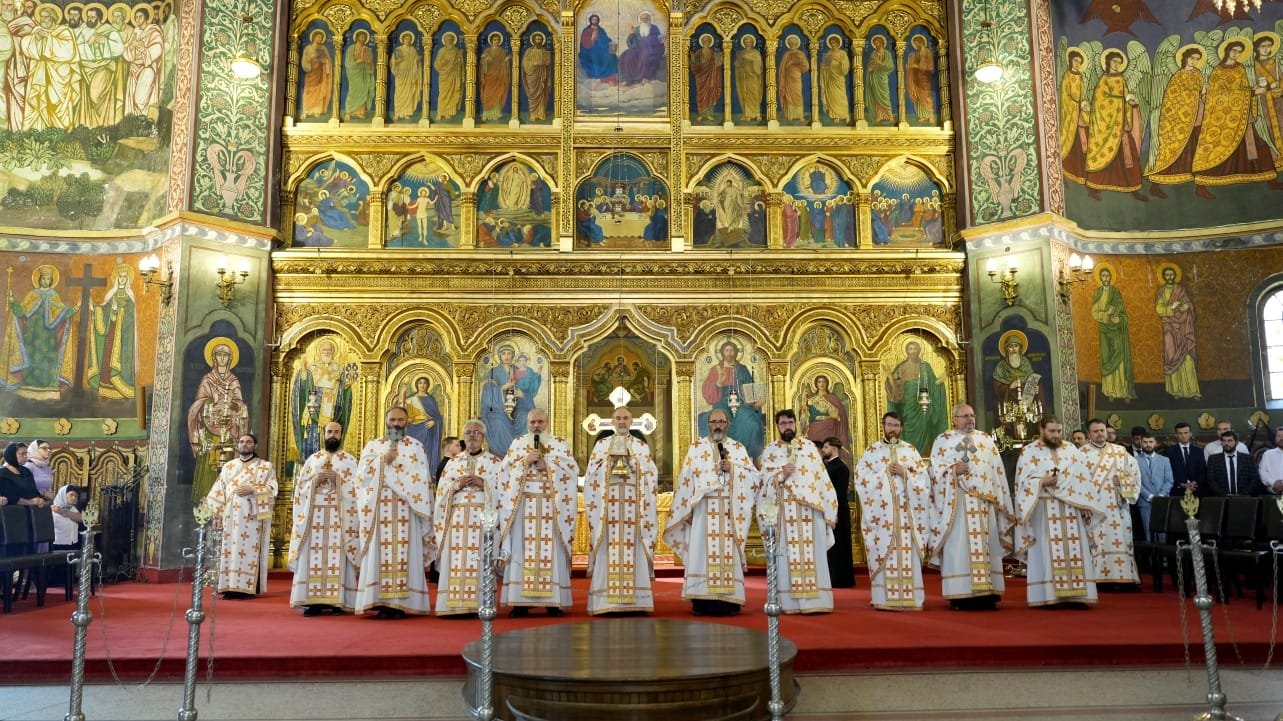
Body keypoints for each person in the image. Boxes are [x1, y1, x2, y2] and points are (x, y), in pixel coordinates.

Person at [664, 409, 761, 616]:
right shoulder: (696, 448)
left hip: (728, 512)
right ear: (708, 424)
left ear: (727, 425)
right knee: (701, 553)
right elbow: (686, 479)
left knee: (727, 553)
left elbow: (754, 479)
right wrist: (686, 508)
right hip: (703, 511)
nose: (717, 425)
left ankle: (729, 601)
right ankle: (701, 600)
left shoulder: (737, 448)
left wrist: (733, 469)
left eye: (722, 421)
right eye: (714, 421)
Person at [1013, 416, 1108, 608]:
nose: (1056, 435)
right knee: (1047, 551)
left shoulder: (1071, 449)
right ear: (1042, 430)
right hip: (1044, 508)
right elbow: (1022, 482)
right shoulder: (1029, 451)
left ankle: (1077, 596)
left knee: (1075, 550)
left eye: (1058, 431)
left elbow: (1082, 479)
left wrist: (1085, 504)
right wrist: (1040, 482)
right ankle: (1049, 596)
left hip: (1071, 509)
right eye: (1052, 431)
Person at [350, 406, 435, 619]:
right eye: (392, 419)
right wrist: (382, 461)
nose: (396, 423)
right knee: (379, 553)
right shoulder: (373, 446)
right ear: (386, 421)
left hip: (407, 509)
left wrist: (401, 483)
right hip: (379, 509)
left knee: (405, 555)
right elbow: (360, 478)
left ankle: (401, 602)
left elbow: (423, 479)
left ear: (406, 422)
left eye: (400, 420)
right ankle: (378, 600)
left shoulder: (416, 447)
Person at [927, 404, 1014, 610]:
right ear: (954, 418)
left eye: (972, 415)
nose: (970, 420)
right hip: (957, 503)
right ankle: (960, 595)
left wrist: (999, 500)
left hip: (984, 504)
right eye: (965, 416)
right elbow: (933, 471)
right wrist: (953, 470)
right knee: (959, 547)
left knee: (987, 546)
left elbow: (997, 472)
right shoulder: (944, 440)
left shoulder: (985, 440)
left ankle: (989, 593)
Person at [498, 408, 579, 617]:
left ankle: (553, 602)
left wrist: (549, 466)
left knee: (551, 554)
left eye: (540, 422)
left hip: (551, 508)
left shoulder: (559, 444)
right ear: (527, 423)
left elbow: (572, 472)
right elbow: (504, 474)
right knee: (521, 553)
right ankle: (520, 603)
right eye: (533, 422)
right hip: (523, 507)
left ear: (547, 422)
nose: (536, 426)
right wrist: (524, 463)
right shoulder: (518, 444)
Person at [758, 409, 838, 614]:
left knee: (813, 554)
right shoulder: (771, 451)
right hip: (784, 512)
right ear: (777, 426)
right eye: (783, 423)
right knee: (786, 555)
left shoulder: (809, 447)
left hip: (809, 512)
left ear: (796, 424)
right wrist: (780, 474)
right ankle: (790, 603)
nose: (787, 426)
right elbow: (762, 484)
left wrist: (829, 509)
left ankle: (815, 602)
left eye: (790, 422)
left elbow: (822, 479)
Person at [582, 406, 658, 615]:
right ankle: (605, 602)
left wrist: (633, 463)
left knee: (633, 551)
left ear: (631, 422)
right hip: (609, 511)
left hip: (634, 511)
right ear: (612, 421)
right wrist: (609, 462)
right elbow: (590, 476)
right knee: (609, 550)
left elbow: (652, 475)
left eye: (625, 418)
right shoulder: (601, 445)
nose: (622, 422)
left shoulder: (641, 446)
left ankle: (637, 601)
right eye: (618, 418)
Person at [853, 413, 931, 610]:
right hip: (882, 516)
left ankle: (912, 598)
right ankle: (883, 598)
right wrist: (884, 473)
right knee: (883, 552)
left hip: (907, 516)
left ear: (901, 427)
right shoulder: (873, 451)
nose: (893, 429)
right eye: (889, 425)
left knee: (908, 554)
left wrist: (906, 474)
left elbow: (924, 481)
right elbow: (861, 479)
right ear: (883, 426)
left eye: (896, 425)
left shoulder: (910, 451)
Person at [288, 422, 359, 616]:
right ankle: (313, 602)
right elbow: (299, 491)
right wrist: (314, 483)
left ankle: (338, 601)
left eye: (337, 431)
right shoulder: (313, 460)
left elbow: (358, 491)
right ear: (323, 434)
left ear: (342, 434)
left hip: (339, 517)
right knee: (313, 558)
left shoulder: (349, 461)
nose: (333, 435)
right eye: (329, 432)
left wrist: (340, 482)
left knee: (338, 557)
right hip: (315, 516)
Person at [435, 419, 504, 617]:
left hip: (483, 520)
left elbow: (504, 491)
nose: (472, 436)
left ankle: (479, 604)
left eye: (476, 432)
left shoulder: (494, 462)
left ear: (483, 437)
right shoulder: (453, 463)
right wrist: (457, 484)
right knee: (456, 559)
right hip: (457, 519)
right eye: (468, 432)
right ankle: (452, 604)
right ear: (463, 437)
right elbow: (441, 492)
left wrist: (485, 483)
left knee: (481, 558)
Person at [203, 434, 278, 600]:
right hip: (230, 516)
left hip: (252, 517)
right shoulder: (229, 467)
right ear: (238, 445)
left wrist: (253, 489)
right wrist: (217, 514)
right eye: (242, 442)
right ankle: (229, 587)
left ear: (255, 445)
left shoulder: (265, 467)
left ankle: (246, 588)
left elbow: (272, 489)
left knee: (248, 551)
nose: (245, 445)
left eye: (249, 442)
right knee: (229, 550)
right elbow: (219, 491)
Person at [1080, 418, 1141, 588]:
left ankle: (1126, 579)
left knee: (1122, 539)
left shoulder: (1120, 451)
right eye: (1096, 431)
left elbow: (1134, 474)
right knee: (1098, 542)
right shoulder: (1081, 454)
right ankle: (1099, 580)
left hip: (1118, 505)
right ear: (1089, 434)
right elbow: (1077, 482)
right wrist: (1083, 505)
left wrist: (1122, 483)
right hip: (1096, 507)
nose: (1100, 434)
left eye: (1102, 430)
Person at [819, 436, 855, 589]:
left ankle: (841, 579)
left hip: (838, 512)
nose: (823, 450)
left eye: (825, 447)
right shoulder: (829, 466)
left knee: (839, 545)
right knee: (832, 546)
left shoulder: (840, 467)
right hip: (832, 511)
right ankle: (834, 577)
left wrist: (834, 513)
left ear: (833, 448)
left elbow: (838, 493)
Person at [1205, 430, 1265, 497]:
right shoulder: (1213, 459)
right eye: (1224, 441)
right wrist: (1223, 495)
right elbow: (1211, 480)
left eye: (1229, 440)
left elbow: (1254, 479)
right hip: (1221, 499)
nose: (1226, 443)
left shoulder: (1248, 459)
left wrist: (1242, 495)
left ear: (1236, 442)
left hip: (1244, 498)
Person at [1135, 432, 1173, 538]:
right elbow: (1135, 482)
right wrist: (1149, 496)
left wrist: (1160, 496)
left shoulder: (1165, 460)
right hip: (1145, 502)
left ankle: (1163, 554)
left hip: (1162, 501)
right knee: (1148, 533)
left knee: (1162, 533)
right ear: (1141, 443)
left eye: (1151, 442)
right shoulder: (1134, 461)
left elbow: (1169, 480)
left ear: (1155, 443)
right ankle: (1150, 555)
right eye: (1145, 442)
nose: (1148, 444)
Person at [1165, 422, 1206, 494]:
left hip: (1197, 489)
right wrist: (1182, 484)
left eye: (1186, 433)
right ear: (1176, 435)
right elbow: (1168, 473)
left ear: (1190, 434)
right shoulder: (1169, 452)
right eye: (1180, 433)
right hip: (1177, 490)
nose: (1183, 436)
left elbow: (1203, 471)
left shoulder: (1198, 451)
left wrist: (1195, 483)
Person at [0, 442, 43, 507]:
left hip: (31, 511)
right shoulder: (2, 474)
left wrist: (40, 500)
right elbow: (9, 497)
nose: (25, 456)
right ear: (12, 455)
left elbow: (33, 491)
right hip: (12, 512)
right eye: (22, 454)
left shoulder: (26, 471)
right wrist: (30, 502)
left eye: (26, 453)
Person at [1256, 426, 1283, 495]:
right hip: (1271, 495)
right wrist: (1273, 483)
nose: (1281, 438)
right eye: (1278, 436)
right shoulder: (1268, 454)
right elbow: (1262, 472)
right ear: (1275, 438)